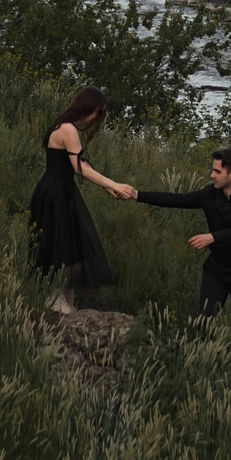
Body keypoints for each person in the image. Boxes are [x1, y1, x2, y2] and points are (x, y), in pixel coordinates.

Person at [30, 85, 136, 312]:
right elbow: (81, 169)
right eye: (97, 112)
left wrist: (108, 188)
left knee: (68, 247)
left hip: (59, 191)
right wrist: (113, 184)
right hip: (56, 194)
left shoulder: (63, 125)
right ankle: (56, 302)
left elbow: (80, 164)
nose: (96, 118)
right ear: (87, 107)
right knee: (60, 247)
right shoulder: (68, 129)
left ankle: (66, 303)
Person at [137, 146, 231, 319]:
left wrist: (212, 237)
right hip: (216, 269)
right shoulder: (209, 195)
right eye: (213, 170)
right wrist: (137, 195)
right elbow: (176, 200)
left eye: (217, 172)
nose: (212, 175)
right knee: (205, 322)